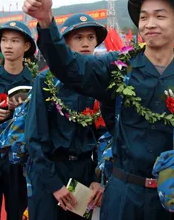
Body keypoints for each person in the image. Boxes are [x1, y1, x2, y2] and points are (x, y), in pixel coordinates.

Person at [23, 0, 174, 220]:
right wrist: (46, 21)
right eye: (144, 17)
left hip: (170, 201)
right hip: (123, 196)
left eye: (160, 16)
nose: (150, 24)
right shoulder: (116, 66)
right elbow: (69, 66)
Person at [25, 13, 112, 220]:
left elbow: (105, 134)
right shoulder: (45, 80)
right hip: (50, 171)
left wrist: (98, 177)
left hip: (85, 171)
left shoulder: (101, 82)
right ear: (64, 43)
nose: (86, 44)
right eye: (78, 38)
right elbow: (34, 138)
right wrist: (55, 185)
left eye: (90, 38)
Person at [0, 20, 36, 220]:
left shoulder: (35, 81)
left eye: (14, 41)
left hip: (19, 157)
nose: (8, 46)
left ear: (27, 46)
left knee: (18, 211)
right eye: (4, 40)